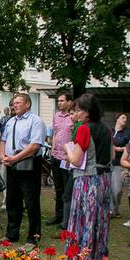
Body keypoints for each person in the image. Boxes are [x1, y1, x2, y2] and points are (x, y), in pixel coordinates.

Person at [62, 93, 112, 260]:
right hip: (104, 180)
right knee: (99, 219)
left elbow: (75, 160)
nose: (75, 114)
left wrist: (67, 148)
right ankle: (97, 256)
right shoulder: (106, 129)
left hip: (87, 180)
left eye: (78, 110)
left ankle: (82, 257)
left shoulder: (84, 129)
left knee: (84, 219)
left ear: (87, 112)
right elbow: (112, 156)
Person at [0, 92, 46, 244]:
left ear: (28, 104)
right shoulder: (11, 121)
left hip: (29, 163)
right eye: (14, 103)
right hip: (11, 163)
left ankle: (33, 237)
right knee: (12, 199)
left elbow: (35, 145)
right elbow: (3, 140)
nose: (15, 105)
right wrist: (2, 156)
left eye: (18, 102)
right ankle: (12, 234)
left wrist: (15, 158)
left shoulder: (36, 121)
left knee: (31, 200)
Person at [48, 90, 74, 228]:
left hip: (67, 158)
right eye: (58, 101)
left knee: (66, 189)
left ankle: (66, 218)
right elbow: (55, 133)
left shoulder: (73, 117)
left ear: (70, 102)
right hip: (55, 156)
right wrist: (52, 149)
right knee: (57, 188)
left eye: (62, 100)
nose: (59, 103)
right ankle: (58, 215)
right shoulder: (56, 116)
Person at [110, 113, 130, 218]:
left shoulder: (128, 133)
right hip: (108, 163)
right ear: (117, 119)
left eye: (126, 118)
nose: (125, 119)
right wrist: (115, 147)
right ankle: (112, 210)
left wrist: (119, 149)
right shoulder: (110, 131)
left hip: (120, 163)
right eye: (123, 117)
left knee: (117, 189)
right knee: (109, 188)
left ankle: (116, 208)